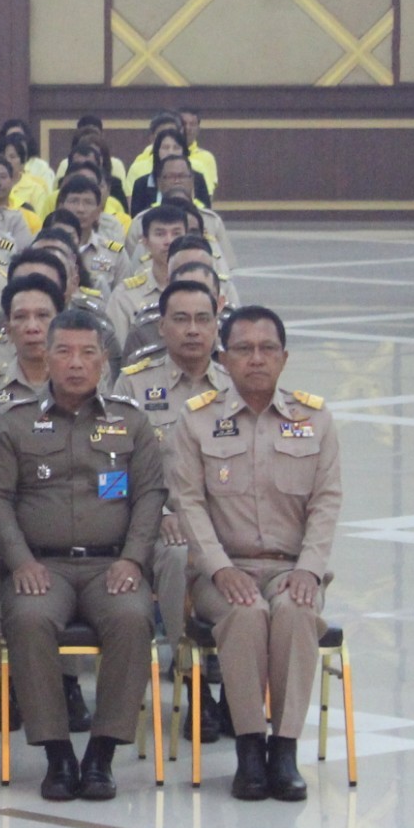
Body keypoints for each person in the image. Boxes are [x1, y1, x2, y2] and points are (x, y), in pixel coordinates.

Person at [0, 308, 166, 801]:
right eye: (64, 351)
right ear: (47, 356)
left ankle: (102, 753)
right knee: (28, 619)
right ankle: (57, 753)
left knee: (132, 618)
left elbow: (149, 495)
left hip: (112, 565)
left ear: (104, 360)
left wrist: (133, 559)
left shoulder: (131, 422)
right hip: (42, 565)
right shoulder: (13, 423)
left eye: (88, 353)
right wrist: (19, 561)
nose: (76, 363)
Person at [165, 306, 340, 802]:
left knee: (295, 615)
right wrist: (219, 569)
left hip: (292, 567)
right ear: (224, 358)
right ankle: (248, 747)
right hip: (223, 571)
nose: (256, 359)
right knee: (245, 616)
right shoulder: (197, 420)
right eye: (243, 349)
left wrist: (309, 569)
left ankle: (284, 751)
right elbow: (188, 502)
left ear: (284, 357)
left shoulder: (315, 419)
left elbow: (327, 502)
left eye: (267, 349)